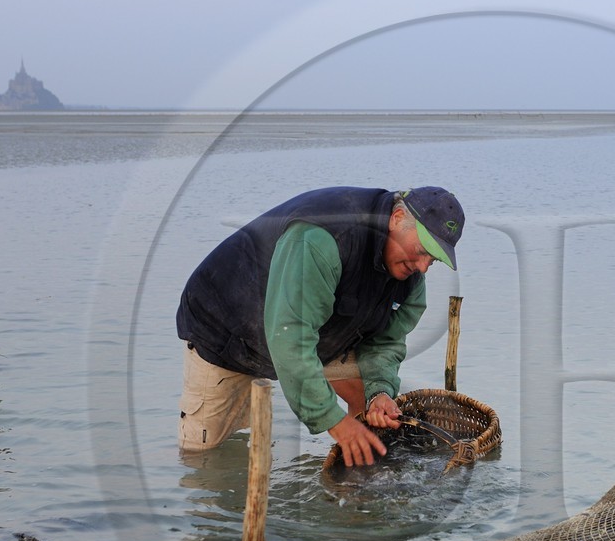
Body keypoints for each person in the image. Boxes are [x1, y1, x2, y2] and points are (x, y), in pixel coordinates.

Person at [176, 185, 464, 467]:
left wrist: (380, 392)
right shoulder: (322, 239)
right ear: (397, 218)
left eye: (434, 258)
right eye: (422, 249)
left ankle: (357, 489)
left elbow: (385, 342)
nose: (424, 266)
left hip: (320, 332)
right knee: (203, 460)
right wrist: (333, 421)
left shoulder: (411, 281)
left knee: (374, 405)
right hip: (227, 330)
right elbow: (290, 338)